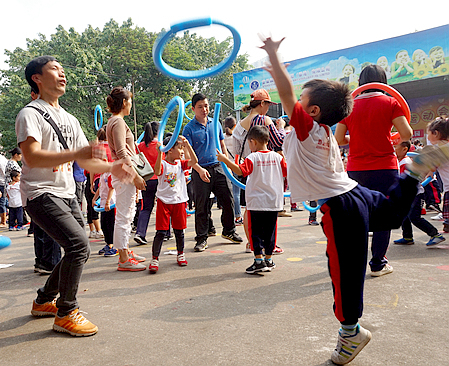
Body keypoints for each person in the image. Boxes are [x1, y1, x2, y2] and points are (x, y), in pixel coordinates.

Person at [259, 36, 447, 365]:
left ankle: (350, 333)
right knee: (389, 216)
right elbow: (294, 104)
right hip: (353, 193)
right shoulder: (323, 134)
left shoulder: (307, 129)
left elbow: (287, 95)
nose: (294, 106)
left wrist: (275, 60)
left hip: (340, 204)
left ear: (312, 111)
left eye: (302, 102)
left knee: (344, 269)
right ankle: (413, 174)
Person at [18, 55, 136, 336]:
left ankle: (44, 300)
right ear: (37, 78)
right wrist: (76, 154)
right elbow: (31, 157)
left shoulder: (69, 118)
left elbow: (86, 161)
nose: (62, 74)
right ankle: (66, 312)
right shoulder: (30, 114)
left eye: (62, 69)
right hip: (40, 193)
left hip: (68, 193)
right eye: (54, 70)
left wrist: (112, 167)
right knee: (79, 246)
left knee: (76, 249)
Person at [335, 64, 413, 277]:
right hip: (384, 168)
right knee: (383, 216)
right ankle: (378, 263)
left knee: (357, 216)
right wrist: (388, 137)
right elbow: (406, 133)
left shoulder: (349, 107)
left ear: (360, 82)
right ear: (383, 81)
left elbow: (339, 139)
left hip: (356, 169)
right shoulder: (390, 102)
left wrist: (358, 137)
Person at [217, 125, 287, 273]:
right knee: (270, 232)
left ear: (253, 142)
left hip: (256, 202)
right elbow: (288, 172)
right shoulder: (278, 157)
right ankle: (269, 259)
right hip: (273, 202)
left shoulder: (252, 157)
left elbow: (240, 171)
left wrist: (225, 160)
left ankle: (258, 260)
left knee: (255, 232)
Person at [182, 93, 242, 252]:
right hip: (200, 169)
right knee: (201, 206)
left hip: (219, 166)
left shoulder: (215, 124)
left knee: (229, 199)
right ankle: (202, 238)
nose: (204, 109)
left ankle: (229, 231)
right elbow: (188, 156)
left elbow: (222, 145)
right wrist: (199, 170)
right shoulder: (188, 129)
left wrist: (227, 166)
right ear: (193, 108)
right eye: (200, 107)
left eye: (206, 105)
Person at [232, 90, 286, 253]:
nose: (268, 109)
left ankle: (251, 243)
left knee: (250, 209)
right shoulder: (265, 120)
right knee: (269, 212)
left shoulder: (239, 125)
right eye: (268, 104)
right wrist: (281, 128)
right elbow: (278, 142)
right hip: (265, 170)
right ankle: (270, 245)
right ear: (262, 104)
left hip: (248, 169)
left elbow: (235, 150)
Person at [106, 86, 147, 271]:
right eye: (129, 101)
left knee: (128, 214)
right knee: (124, 216)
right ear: (124, 103)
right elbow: (122, 151)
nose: (130, 105)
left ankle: (125, 250)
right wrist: (135, 175)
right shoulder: (118, 122)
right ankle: (123, 258)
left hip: (122, 173)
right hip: (124, 174)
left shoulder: (114, 121)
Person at [148, 135, 198, 273]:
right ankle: (155, 258)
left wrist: (188, 146)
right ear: (169, 150)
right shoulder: (163, 164)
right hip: (164, 202)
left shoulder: (180, 164)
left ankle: (180, 254)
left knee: (179, 231)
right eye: (180, 148)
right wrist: (159, 153)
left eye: (183, 148)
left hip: (179, 201)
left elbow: (194, 161)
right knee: (161, 232)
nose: (182, 151)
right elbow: (157, 171)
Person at [393, 140, 445, 247]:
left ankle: (435, 234)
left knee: (414, 217)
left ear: (404, 149)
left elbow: (404, 180)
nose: (394, 150)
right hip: (408, 193)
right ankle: (407, 237)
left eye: (396, 148)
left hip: (416, 194)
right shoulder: (401, 161)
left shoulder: (405, 162)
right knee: (405, 215)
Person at [134, 121, 160, 245]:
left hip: (146, 179)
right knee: (163, 206)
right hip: (159, 179)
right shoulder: (160, 146)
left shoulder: (140, 146)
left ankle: (140, 233)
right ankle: (165, 232)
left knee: (146, 208)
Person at [426, 116, 449, 233]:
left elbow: (431, 167)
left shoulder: (440, 150)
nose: (427, 136)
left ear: (435, 133)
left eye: (428, 133)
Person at [92, 164, 117, 257]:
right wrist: (94, 199)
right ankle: (108, 243)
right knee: (104, 225)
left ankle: (112, 245)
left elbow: (111, 187)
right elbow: (99, 188)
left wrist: (107, 202)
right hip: (103, 204)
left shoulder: (110, 174)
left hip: (110, 204)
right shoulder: (102, 175)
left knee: (111, 225)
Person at [223, 116, 243, 226]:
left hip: (226, 167)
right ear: (235, 125)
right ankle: (238, 216)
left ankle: (229, 217)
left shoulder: (223, 138)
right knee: (236, 193)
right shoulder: (236, 137)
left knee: (228, 194)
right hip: (235, 166)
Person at [0, 152, 8, 227]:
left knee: (2, 202)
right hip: (2, 183)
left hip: (1, 183)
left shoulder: (1, 160)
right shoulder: (3, 158)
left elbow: (4, 172)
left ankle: (3, 221)